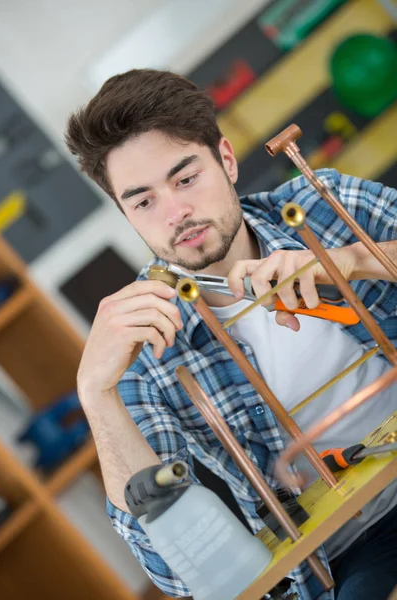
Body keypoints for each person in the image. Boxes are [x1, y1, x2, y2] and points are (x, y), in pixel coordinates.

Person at [65, 69, 397, 600]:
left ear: (226, 159)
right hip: (353, 548)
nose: (176, 213)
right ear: (125, 213)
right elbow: (182, 574)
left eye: (185, 178)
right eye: (143, 201)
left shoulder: (320, 205)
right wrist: (96, 396)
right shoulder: (144, 349)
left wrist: (348, 260)